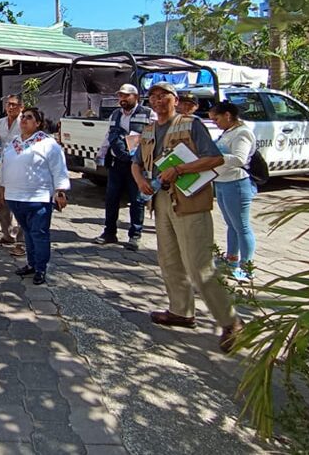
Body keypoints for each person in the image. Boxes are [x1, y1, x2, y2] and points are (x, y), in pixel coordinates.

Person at [130, 81, 244, 353]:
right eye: (153, 97)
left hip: (190, 201)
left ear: (174, 98)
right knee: (169, 260)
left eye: (163, 96)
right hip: (160, 201)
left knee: (199, 265)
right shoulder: (148, 129)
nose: (157, 101)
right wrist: (139, 181)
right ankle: (180, 311)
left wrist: (180, 169)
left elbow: (215, 159)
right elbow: (136, 162)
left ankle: (232, 322)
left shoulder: (191, 124)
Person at [0, 107, 70, 285]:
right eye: (23, 117)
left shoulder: (47, 143)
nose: (24, 120)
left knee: (39, 234)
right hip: (15, 197)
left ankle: (40, 268)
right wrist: (2, 189)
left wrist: (60, 192)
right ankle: (31, 264)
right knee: (28, 234)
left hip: (37, 198)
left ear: (38, 123)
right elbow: (4, 167)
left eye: (29, 118)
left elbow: (59, 168)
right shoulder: (14, 143)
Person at [93, 84, 153, 251]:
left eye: (127, 96)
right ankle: (109, 232)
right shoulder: (115, 114)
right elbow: (108, 135)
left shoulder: (148, 114)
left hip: (136, 164)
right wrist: (101, 154)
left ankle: (135, 236)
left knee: (137, 200)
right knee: (112, 199)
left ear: (136, 97)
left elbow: (154, 136)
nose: (123, 99)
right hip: (117, 163)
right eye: (121, 96)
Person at [209, 101, 258, 283]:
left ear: (227, 115)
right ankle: (231, 260)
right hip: (222, 182)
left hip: (236, 183)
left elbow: (239, 158)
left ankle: (247, 267)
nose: (216, 123)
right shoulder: (228, 132)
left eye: (217, 119)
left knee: (242, 226)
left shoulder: (242, 133)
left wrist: (213, 158)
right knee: (231, 224)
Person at [0, 94, 25, 253]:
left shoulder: (24, 123)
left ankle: (21, 241)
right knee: (2, 203)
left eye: (14, 105)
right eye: (9, 104)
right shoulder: (0, 123)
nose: (11, 107)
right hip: (4, 167)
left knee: (21, 204)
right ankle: (7, 235)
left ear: (21, 107)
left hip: (22, 169)